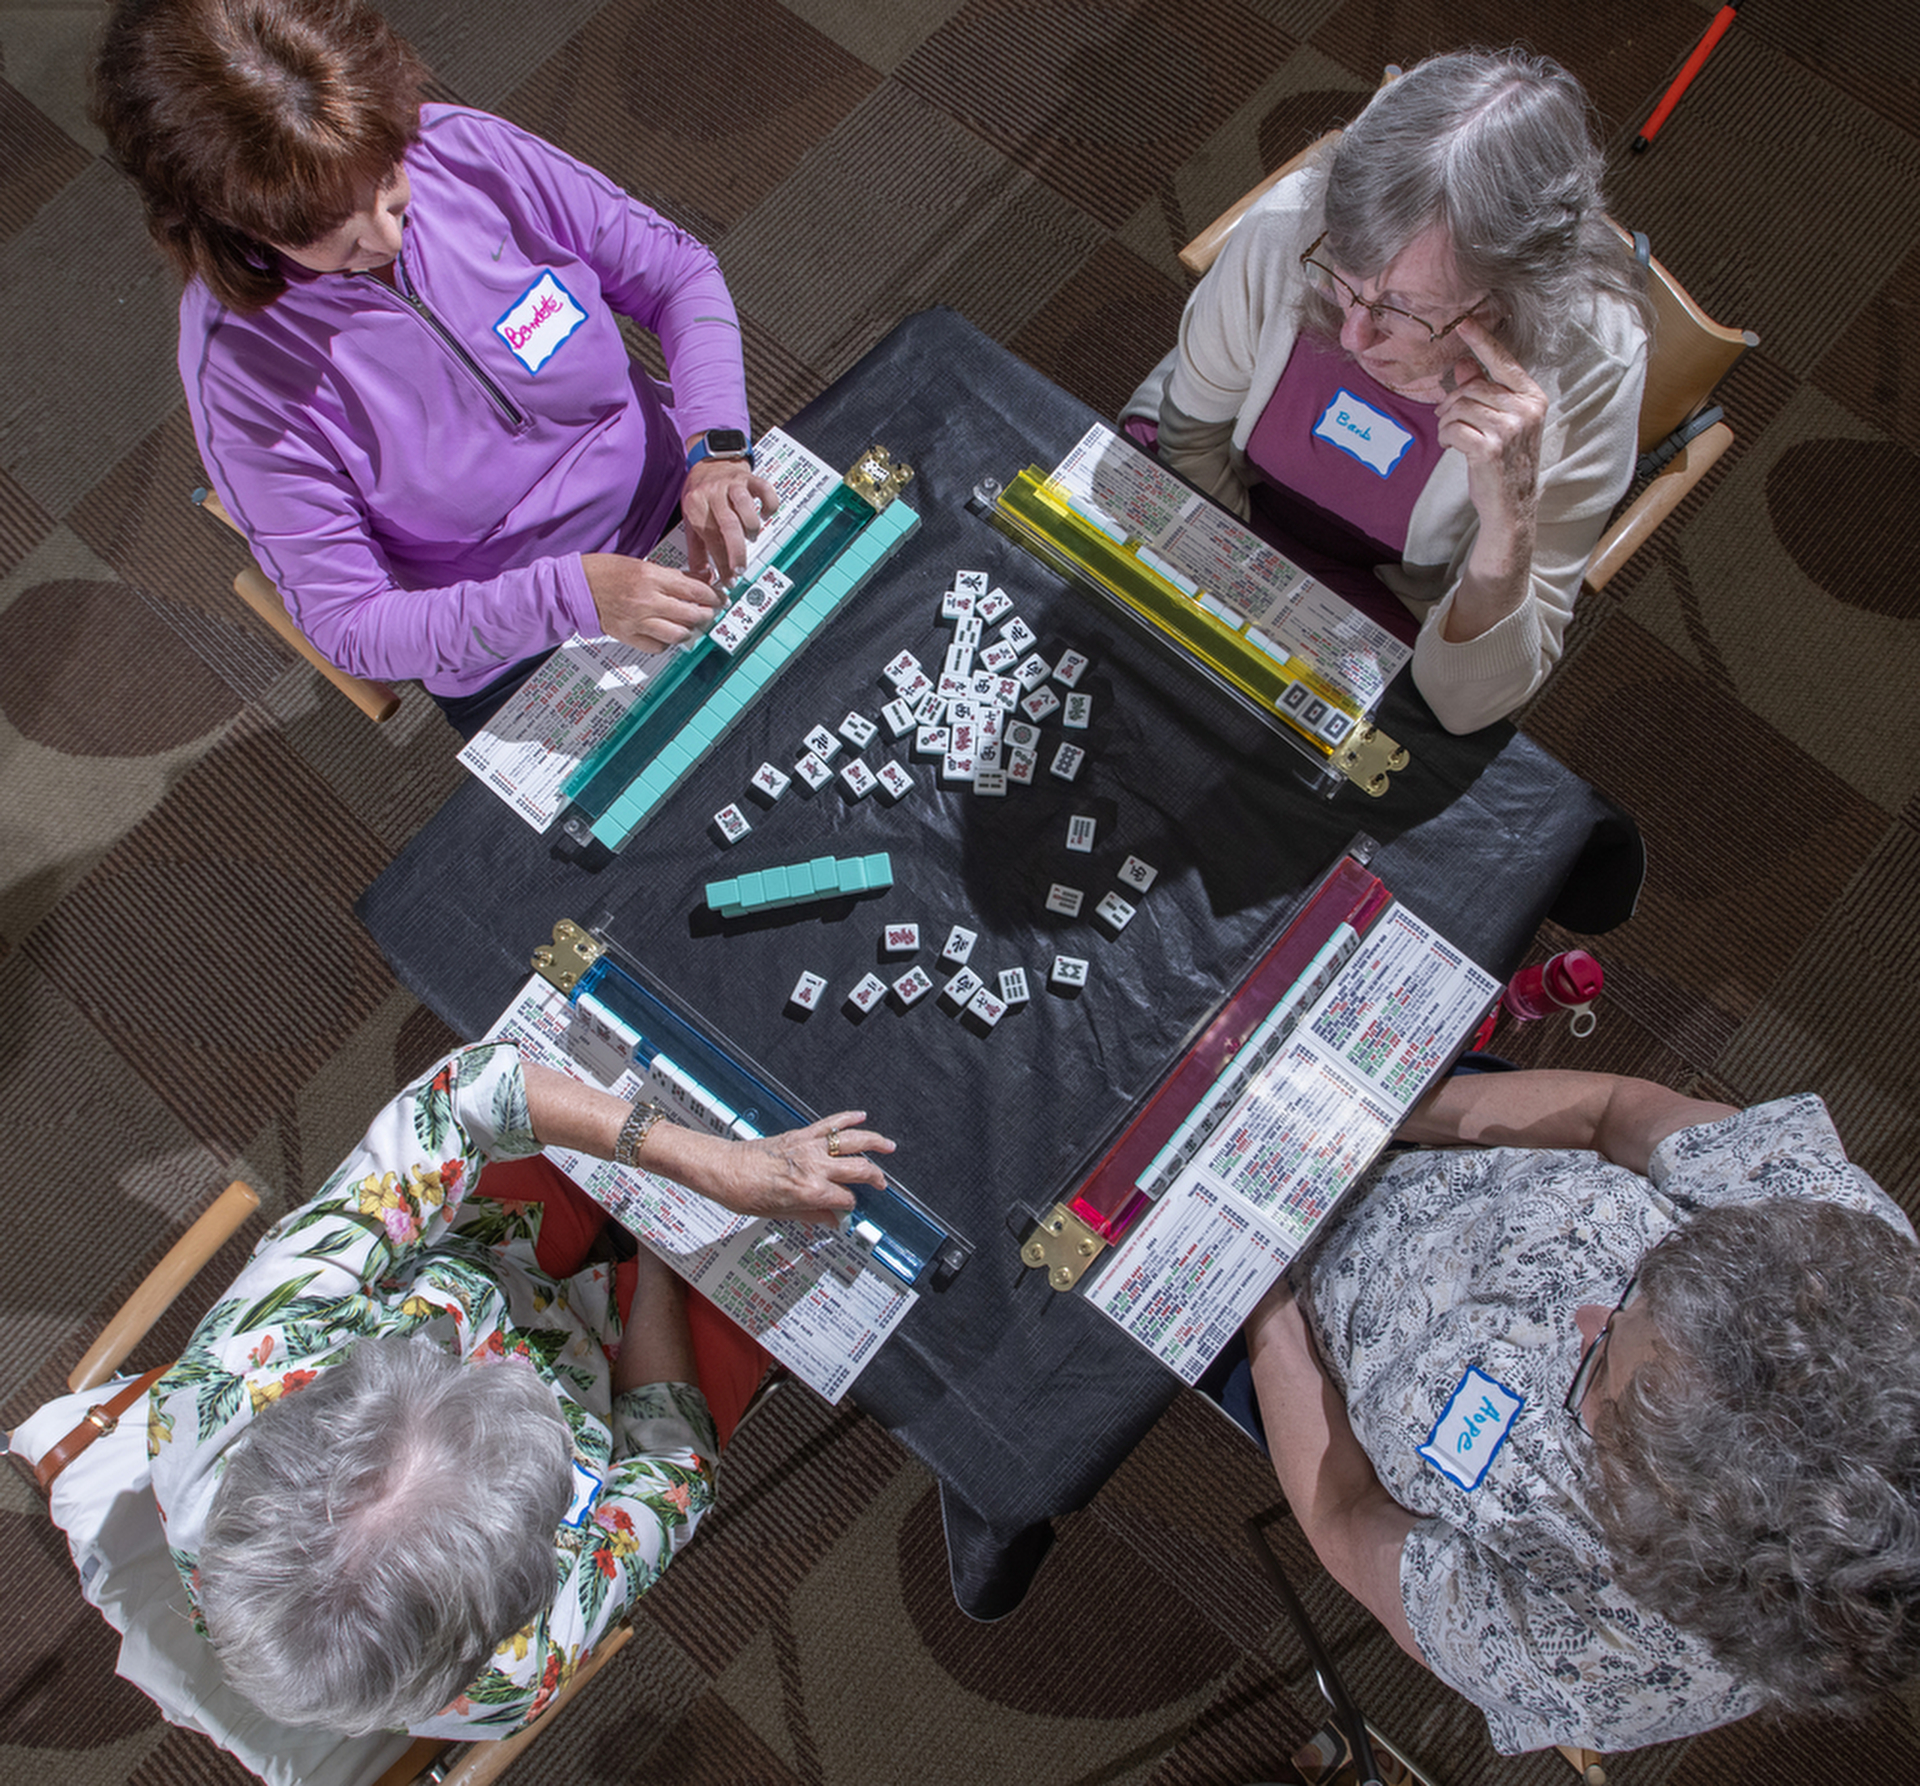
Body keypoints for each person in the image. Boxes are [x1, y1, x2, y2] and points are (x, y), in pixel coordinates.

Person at [146, 1040, 895, 1738]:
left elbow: (463, 1097)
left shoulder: (220, 1393)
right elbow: (669, 1471)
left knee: (633, 1058)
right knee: (836, 1227)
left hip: (487, 1248)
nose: (493, 1370)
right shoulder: (516, 1671)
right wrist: (665, 1254)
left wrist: (699, 1163)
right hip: (623, 1394)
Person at [91, 0, 777, 735]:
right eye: (334, 236)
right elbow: (352, 625)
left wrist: (716, 446)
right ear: (232, 223)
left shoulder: (460, 150)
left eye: (389, 185)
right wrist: (569, 597)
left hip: (688, 498)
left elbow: (678, 275)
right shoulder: (239, 376)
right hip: (522, 645)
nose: (388, 236)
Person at [1236, 1068, 1920, 1754]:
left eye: (1598, 1368)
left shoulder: (1601, 1664)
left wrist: (1255, 1263)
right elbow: (1610, 1113)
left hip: (1290, 1329)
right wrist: (1354, 1107)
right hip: (1425, 1138)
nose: (1588, 1317)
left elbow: (1342, 1510)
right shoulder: (1837, 1255)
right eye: (1639, 1286)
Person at [1124, 51, 1652, 733]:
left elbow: (1465, 705)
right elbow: (1188, 441)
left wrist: (1510, 522)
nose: (1353, 334)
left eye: (1405, 308)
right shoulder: (1291, 229)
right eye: (1342, 275)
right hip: (1225, 495)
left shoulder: (1595, 371)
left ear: (1505, 304)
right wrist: (1246, 588)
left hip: (1389, 598)